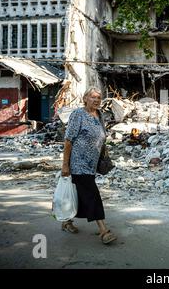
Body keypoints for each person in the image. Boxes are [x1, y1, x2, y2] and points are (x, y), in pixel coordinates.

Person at [61, 87, 117, 245]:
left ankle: (66, 221)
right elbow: (68, 140)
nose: (97, 100)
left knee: (81, 194)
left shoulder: (99, 115)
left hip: (91, 164)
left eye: (99, 97)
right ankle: (103, 230)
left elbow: (102, 138)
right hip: (78, 163)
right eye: (93, 97)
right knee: (92, 194)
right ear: (85, 98)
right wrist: (65, 165)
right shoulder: (78, 114)